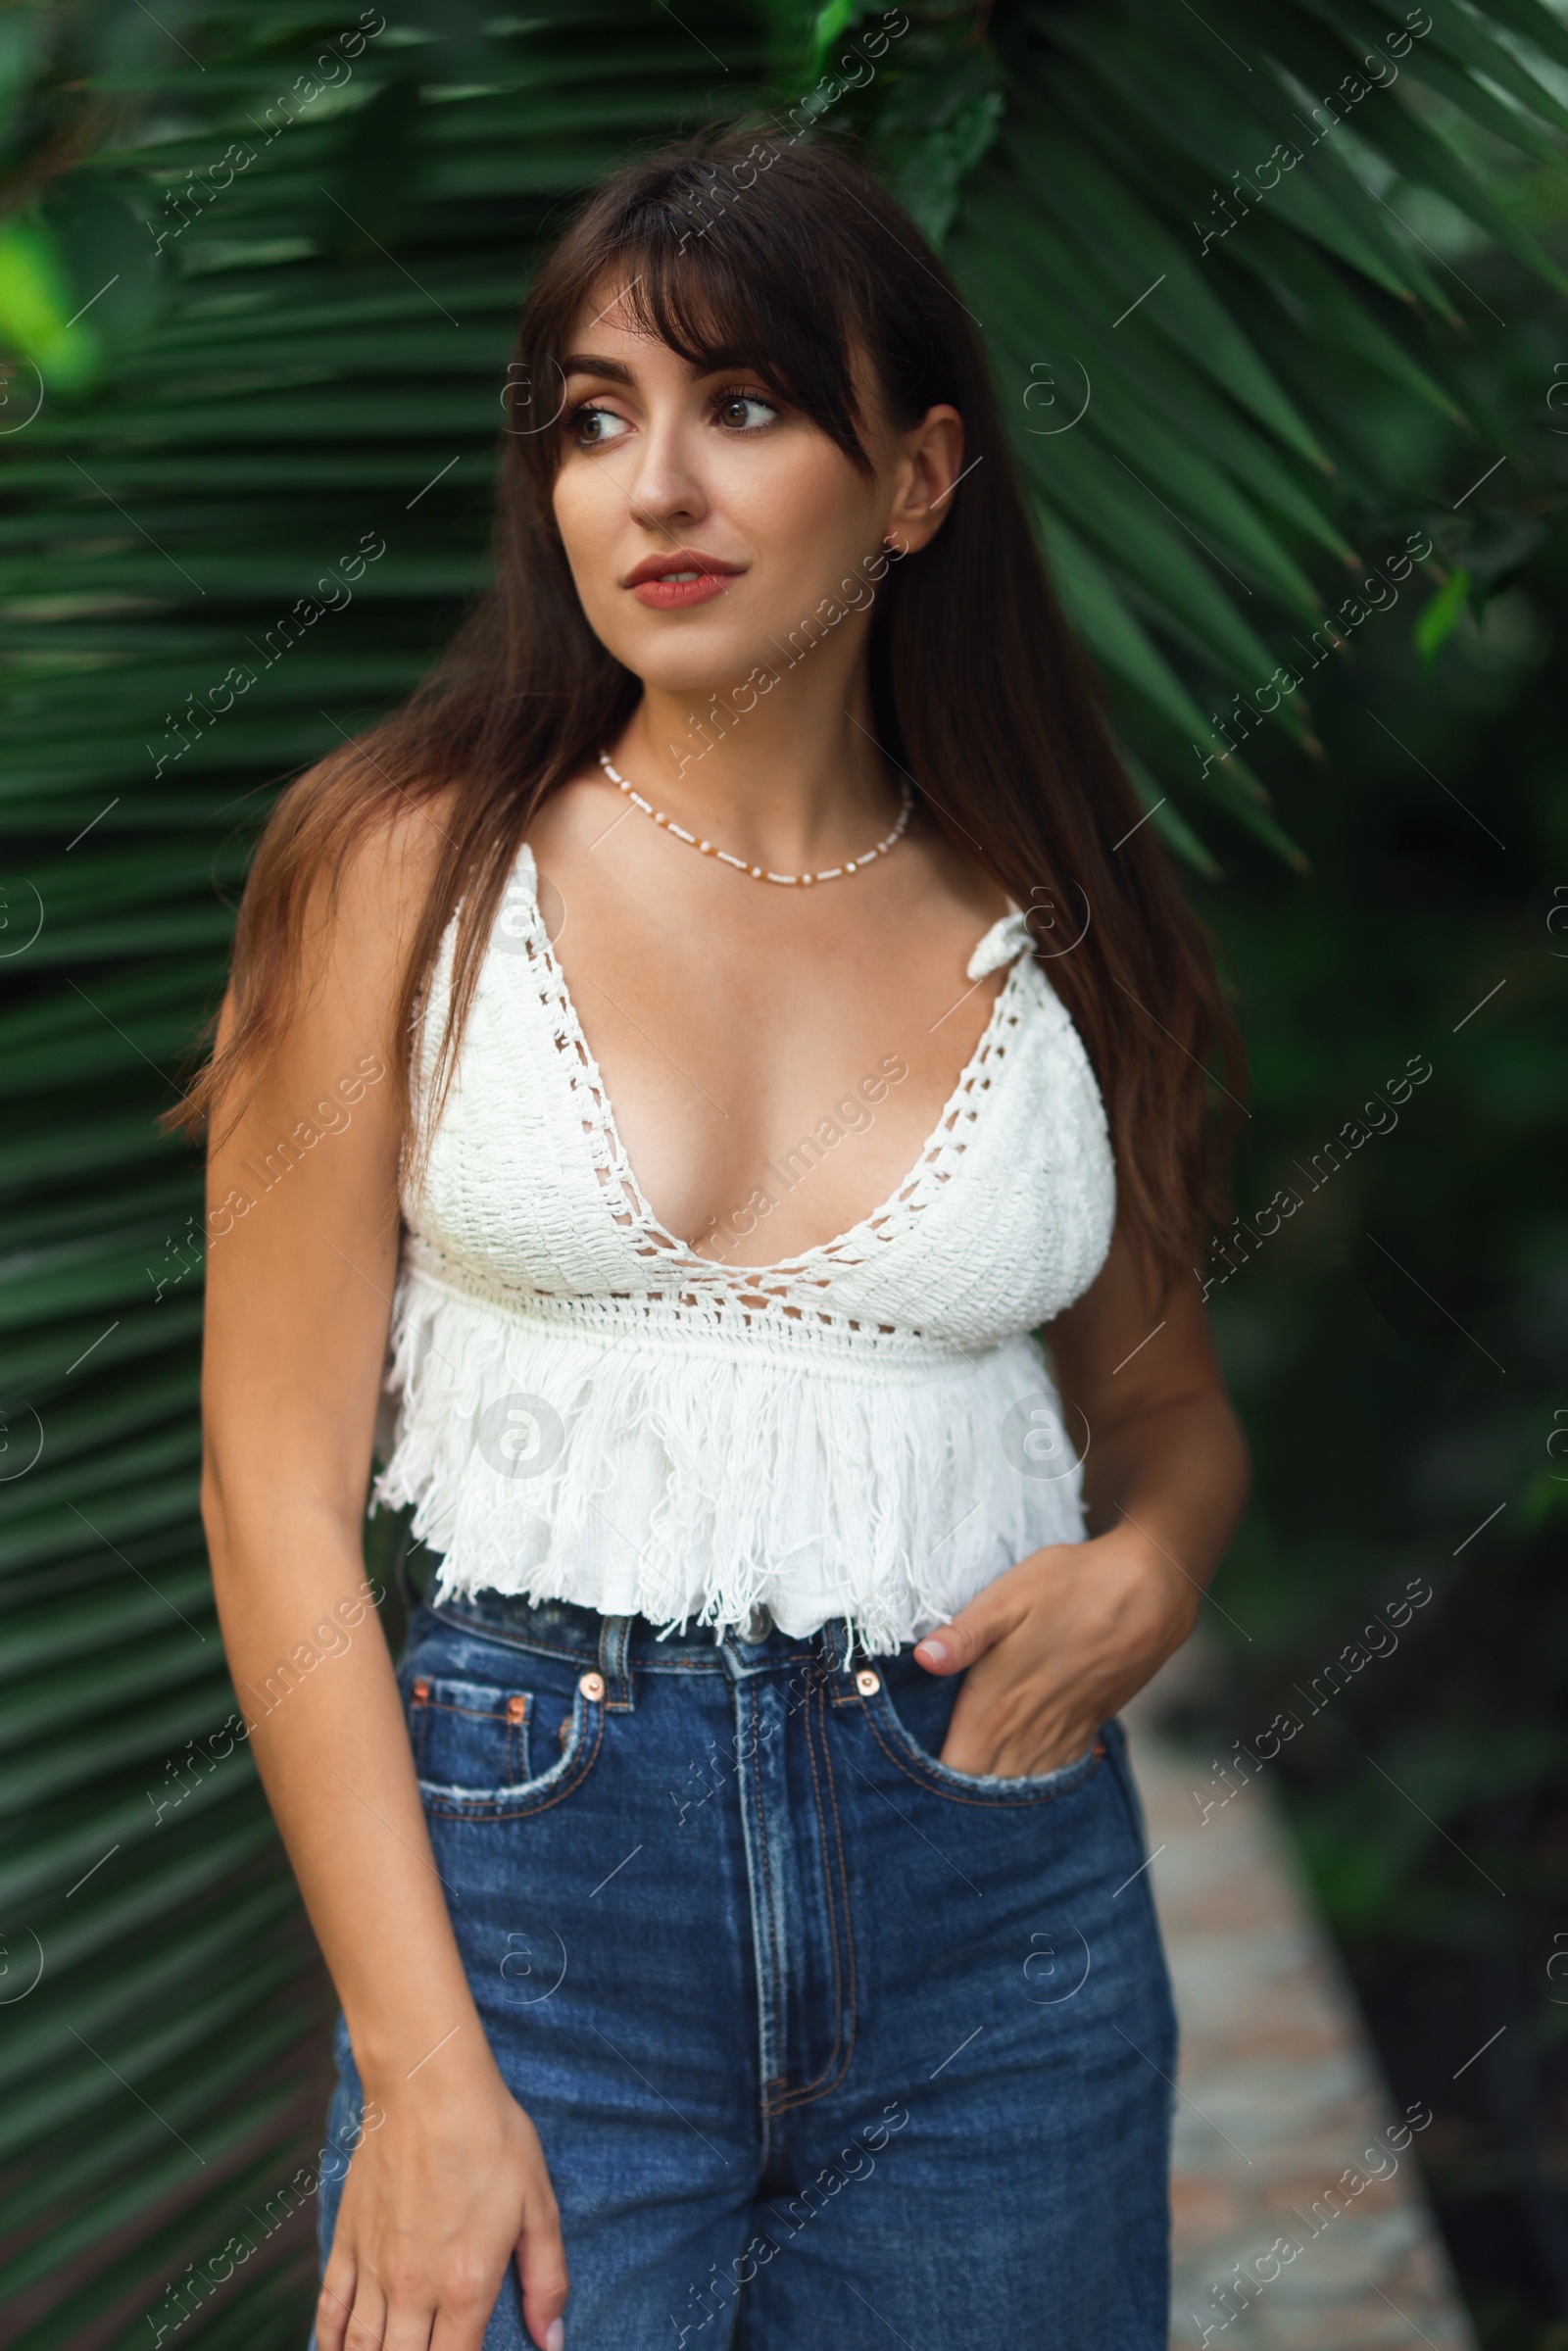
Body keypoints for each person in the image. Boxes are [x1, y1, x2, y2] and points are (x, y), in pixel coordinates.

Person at [195, 128, 1250, 2351]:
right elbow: (271, 1495)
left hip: (999, 1914)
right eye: (595, 420)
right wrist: (418, 2070)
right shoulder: (396, 868)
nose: (652, 486)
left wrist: (1153, 1565)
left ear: (917, 476)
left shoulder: (1046, 914)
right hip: (533, 1890)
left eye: (743, 406)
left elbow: (1161, 1412)